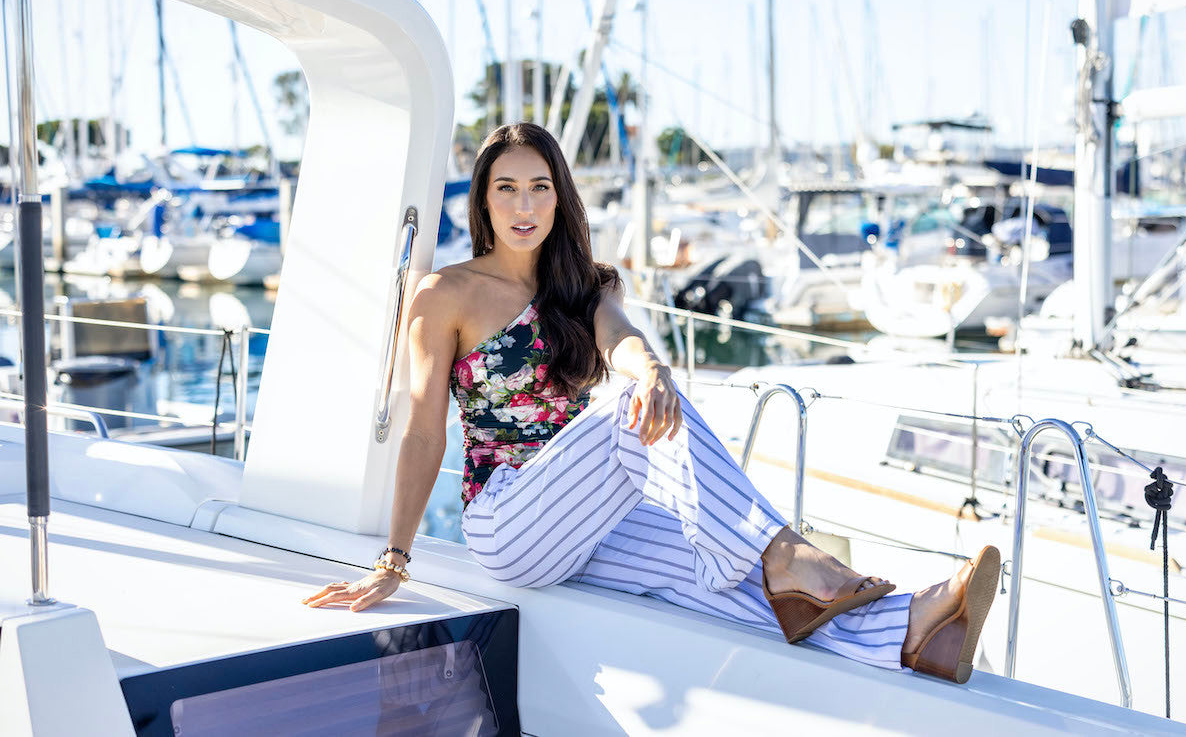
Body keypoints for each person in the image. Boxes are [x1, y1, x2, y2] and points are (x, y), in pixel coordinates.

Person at [305, 122, 1000, 682]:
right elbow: (424, 431)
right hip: (507, 520)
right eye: (507, 188)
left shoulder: (583, 284)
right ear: (483, 199)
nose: (524, 206)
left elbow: (624, 340)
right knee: (628, 417)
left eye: (540, 188)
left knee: (705, 568)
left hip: (584, 519)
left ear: (560, 197)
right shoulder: (443, 295)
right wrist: (394, 558)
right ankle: (789, 551)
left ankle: (909, 634)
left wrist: (655, 369)